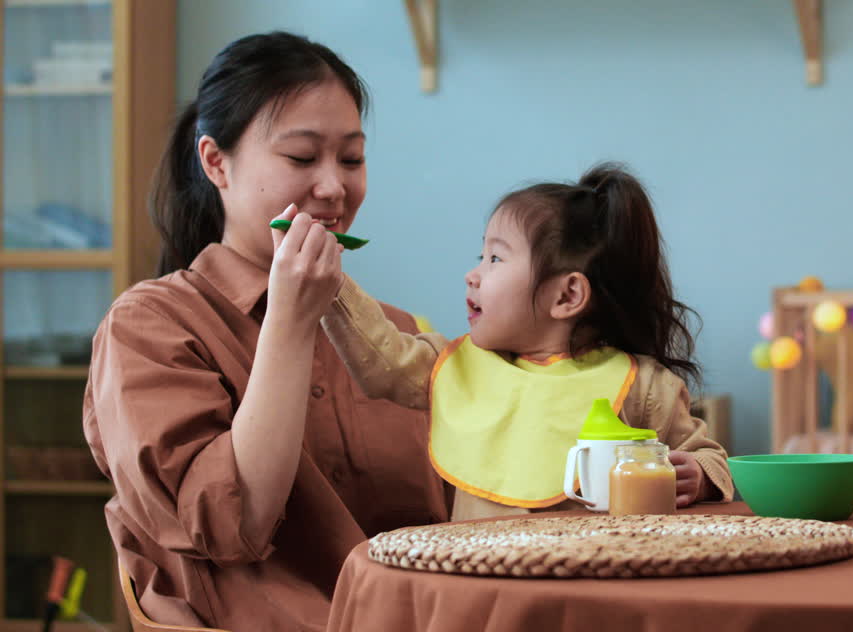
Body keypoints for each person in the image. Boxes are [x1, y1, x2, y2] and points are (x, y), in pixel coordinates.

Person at [82, 31, 449, 631]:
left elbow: (473, 512)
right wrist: (290, 319)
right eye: (302, 158)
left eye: (352, 159)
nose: (334, 187)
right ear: (215, 162)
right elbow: (232, 527)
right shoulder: (147, 326)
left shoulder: (397, 338)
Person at [318, 162, 733, 521]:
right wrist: (330, 283)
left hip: (594, 587)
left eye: (495, 259)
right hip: (479, 588)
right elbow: (383, 360)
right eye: (480, 255)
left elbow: (712, 458)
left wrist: (699, 475)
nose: (473, 274)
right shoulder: (456, 366)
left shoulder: (642, 385)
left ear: (567, 296)